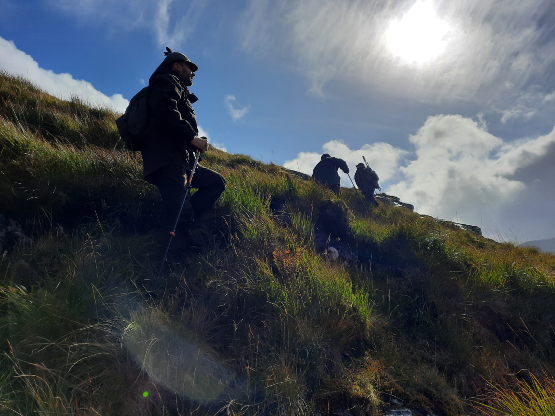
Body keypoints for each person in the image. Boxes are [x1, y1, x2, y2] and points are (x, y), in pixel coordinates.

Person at [142, 47, 226, 262]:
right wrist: (191, 137)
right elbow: (166, 113)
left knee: (215, 182)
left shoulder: (178, 88)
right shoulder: (166, 81)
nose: (193, 73)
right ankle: (171, 266)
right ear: (177, 66)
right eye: (190, 68)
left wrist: (191, 143)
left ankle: (183, 230)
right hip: (168, 160)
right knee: (180, 211)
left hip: (182, 160)